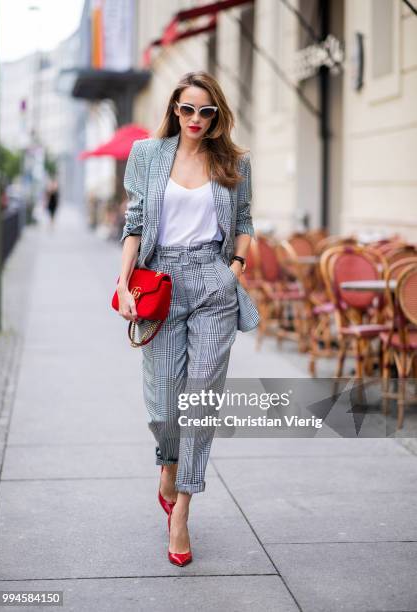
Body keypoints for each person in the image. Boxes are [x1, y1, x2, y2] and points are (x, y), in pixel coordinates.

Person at [116, 71, 259, 567]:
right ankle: (168, 466)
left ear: (217, 115)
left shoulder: (233, 162)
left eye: (206, 112)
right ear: (174, 109)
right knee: (163, 405)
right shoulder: (147, 156)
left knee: (200, 399)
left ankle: (181, 512)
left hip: (213, 283)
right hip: (160, 283)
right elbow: (134, 223)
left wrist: (233, 271)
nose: (195, 120)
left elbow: (243, 225)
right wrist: (123, 283)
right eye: (187, 110)